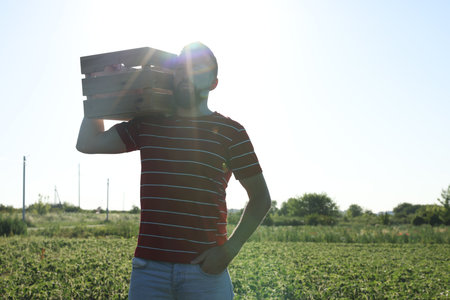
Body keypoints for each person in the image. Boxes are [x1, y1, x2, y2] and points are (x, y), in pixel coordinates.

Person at [76, 42, 271, 299]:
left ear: (214, 82)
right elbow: (88, 143)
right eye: (181, 68)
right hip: (149, 271)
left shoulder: (231, 132)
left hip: (204, 273)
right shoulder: (147, 124)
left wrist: (229, 250)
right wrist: (99, 91)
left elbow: (261, 199)